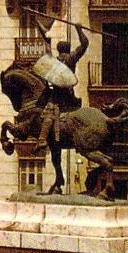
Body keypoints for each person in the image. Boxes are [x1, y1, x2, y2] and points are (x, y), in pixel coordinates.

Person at [34, 23, 89, 155]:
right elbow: (85, 44)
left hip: (59, 94)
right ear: (68, 49)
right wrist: (79, 29)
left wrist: (42, 31)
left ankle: (42, 139)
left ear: (58, 50)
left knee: (48, 112)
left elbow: (47, 44)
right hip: (69, 94)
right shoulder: (72, 57)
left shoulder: (55, 60)